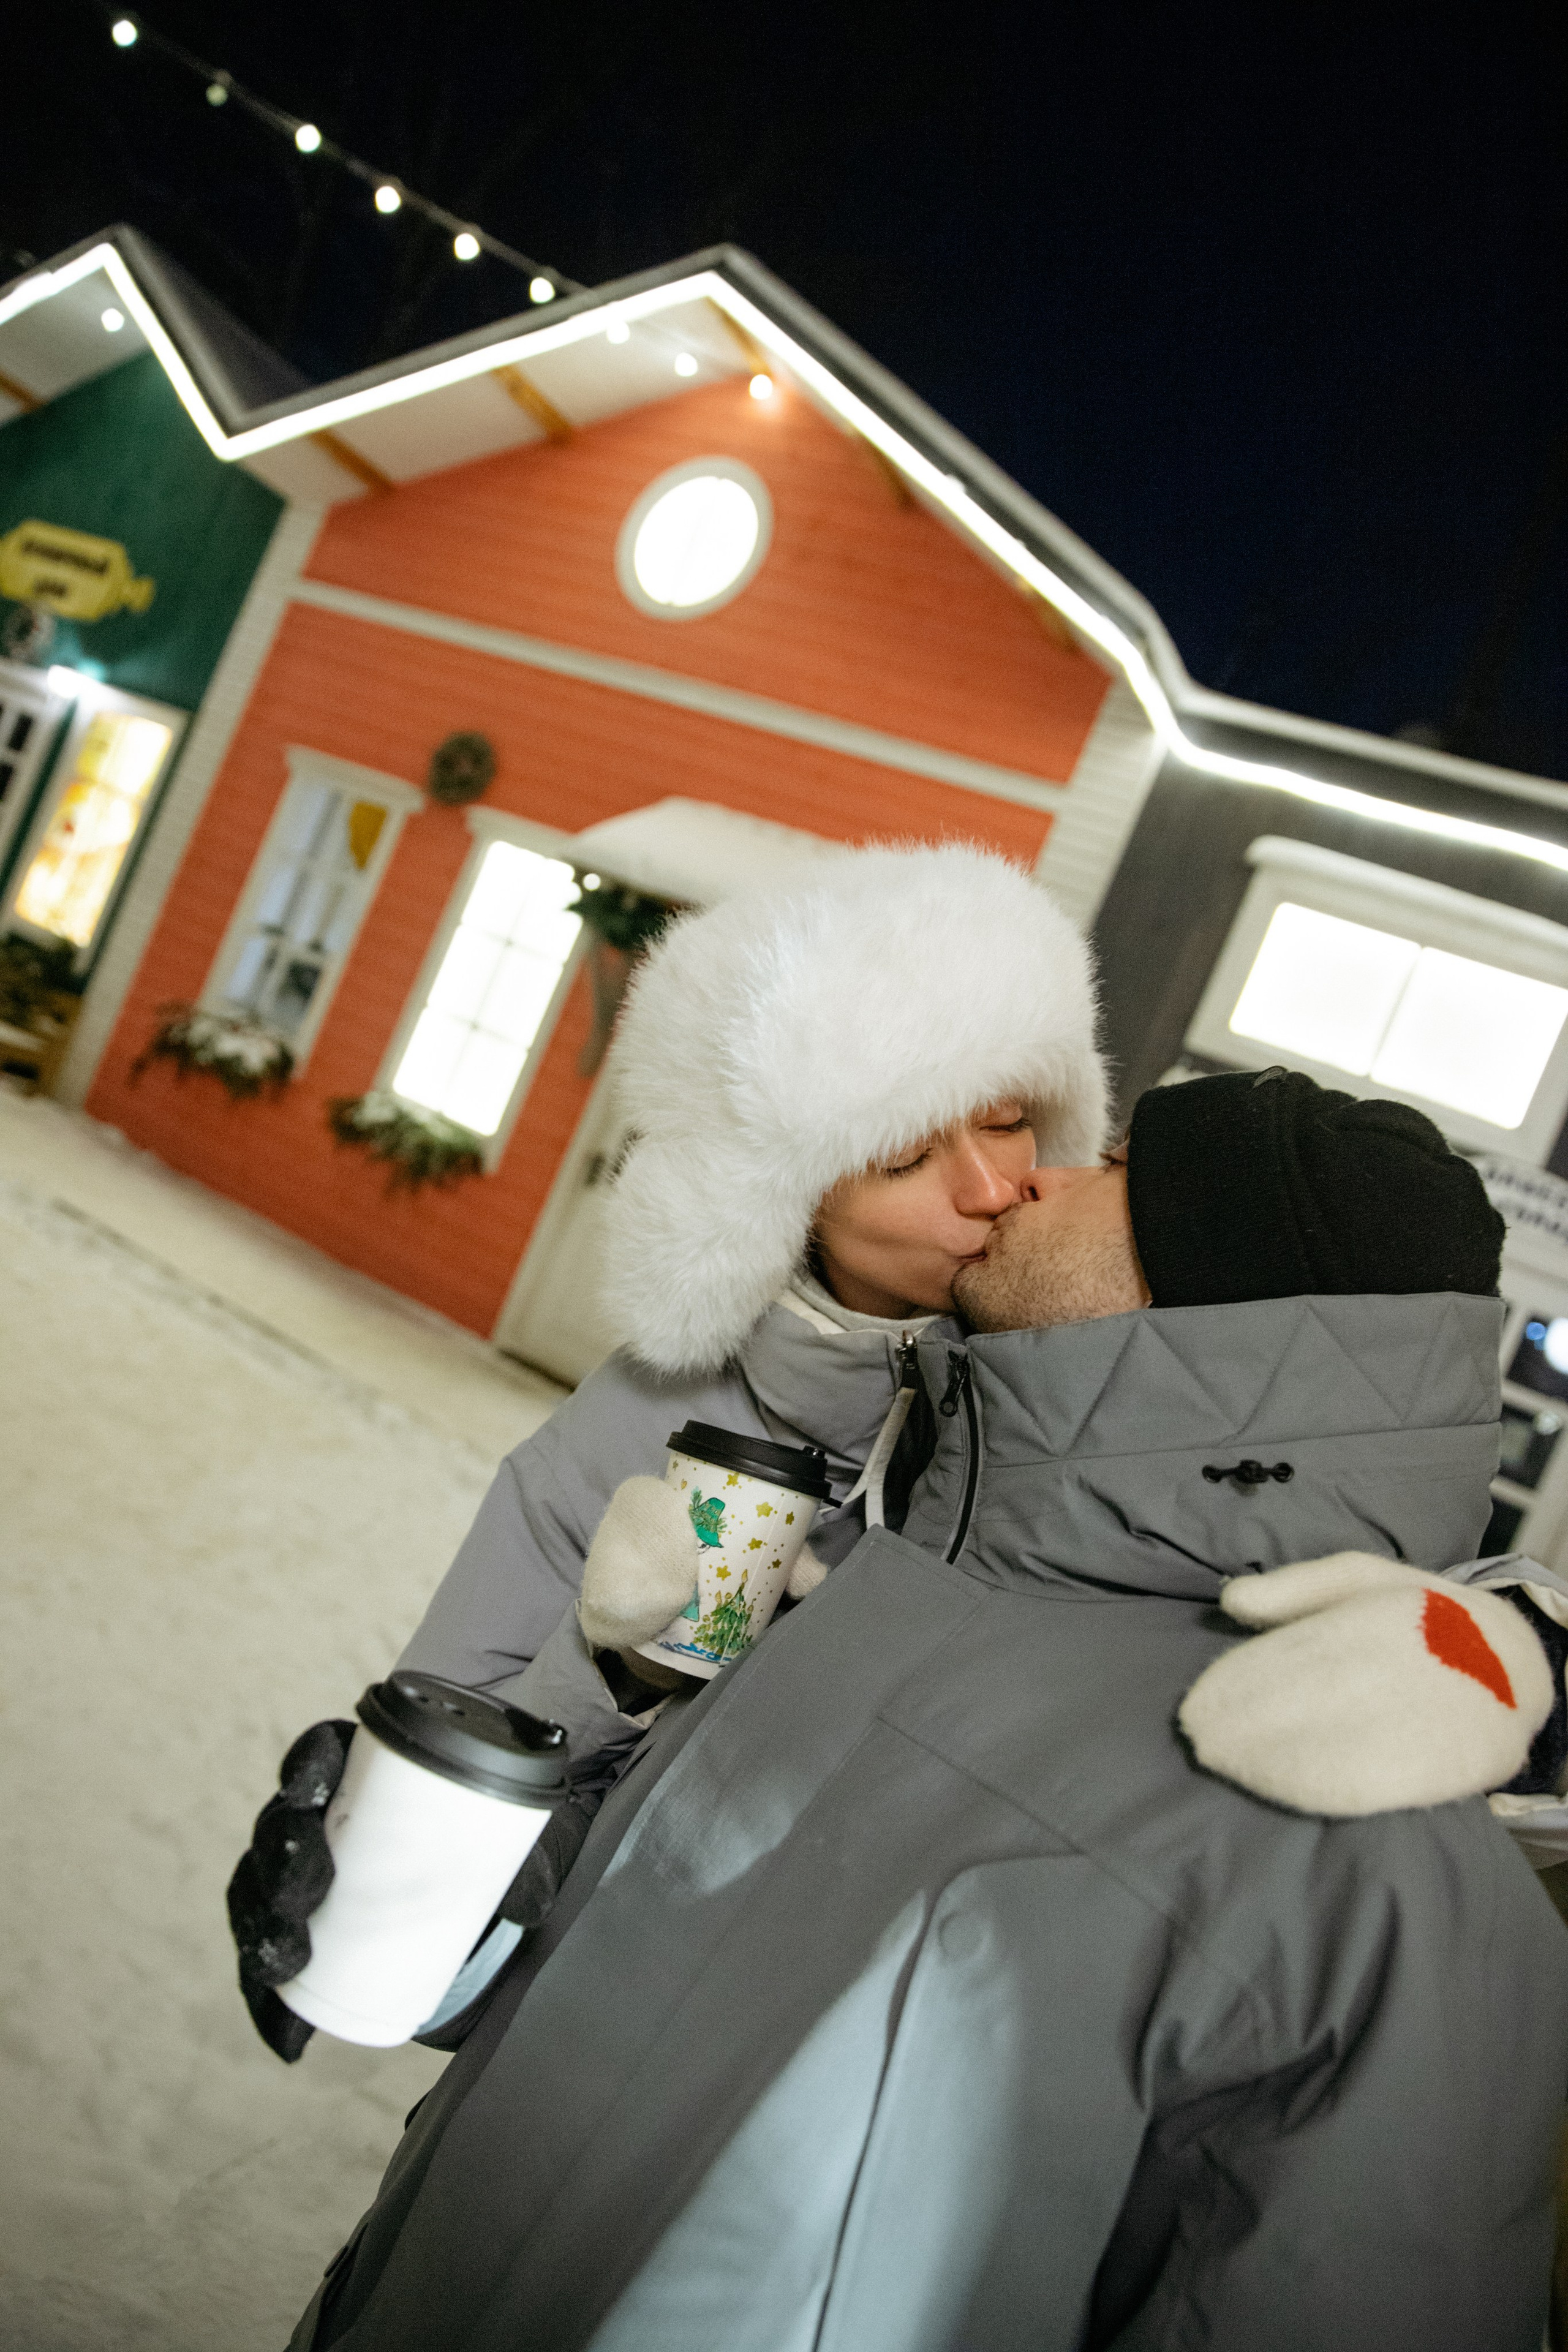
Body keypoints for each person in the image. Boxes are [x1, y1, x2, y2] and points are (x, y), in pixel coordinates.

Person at [287, 1069, 1568, 2352]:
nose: (1031, 1178)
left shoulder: (1375, 1857)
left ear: (1230, 1294)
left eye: (1110, 1169)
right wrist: (457, 1925)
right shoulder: (874, 1573)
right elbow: (653, 1986)